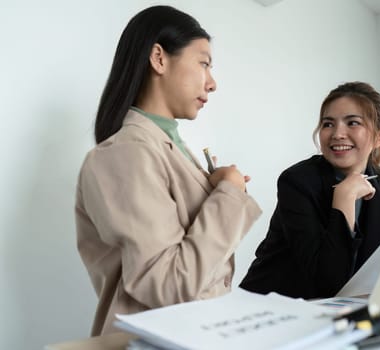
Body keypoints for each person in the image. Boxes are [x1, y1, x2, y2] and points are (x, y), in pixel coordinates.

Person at [75, 6, 261, 336]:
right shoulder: (127, 153)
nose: (212, 82)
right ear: (159, 58)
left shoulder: (167, 147)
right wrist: (229, 192)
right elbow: (169, 286)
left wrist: (219, 191)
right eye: (204, 63)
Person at [240, 81, 380, 299]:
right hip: (269, 306)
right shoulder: (297, 182)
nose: (338, 133)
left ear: (379, 136)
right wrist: (344, 199)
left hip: (331, 310)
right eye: (328, 124)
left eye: (352, 123)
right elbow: (327, 283)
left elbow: (367, 269)